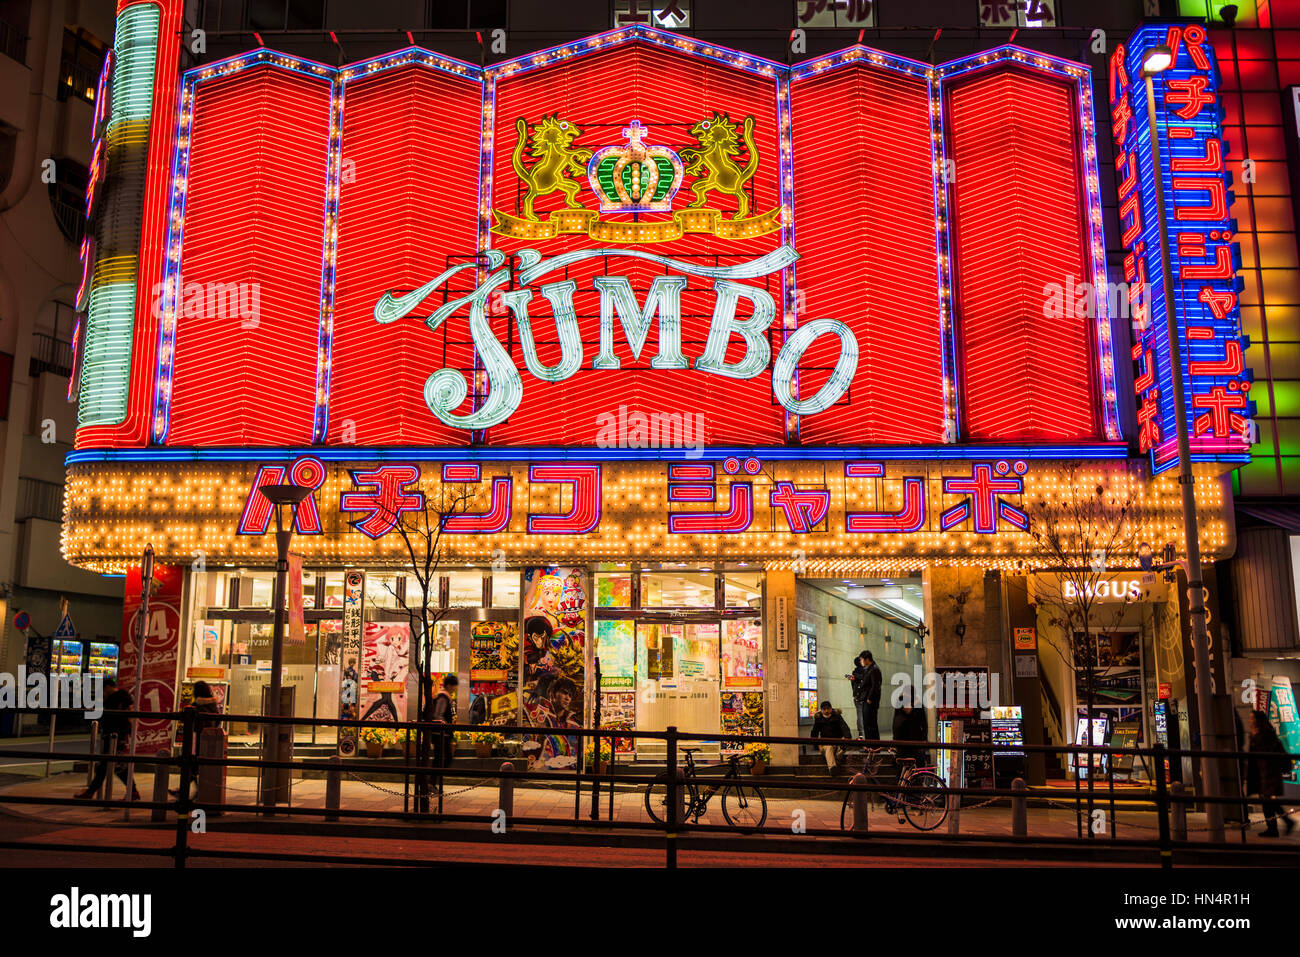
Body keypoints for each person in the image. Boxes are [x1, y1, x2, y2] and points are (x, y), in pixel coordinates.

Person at [76, 677, 139, 801]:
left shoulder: (116, 698)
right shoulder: (122, 698)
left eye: (103, 690)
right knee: (107, 765)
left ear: (108, 687)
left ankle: (132, 791)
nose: (103, 693)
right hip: (116, 734)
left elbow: (111, 716)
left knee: (112, 765)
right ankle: (91, 791)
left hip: (114, 735)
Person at [1247, 709, 1295, 837]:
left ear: (1258, 721)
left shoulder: (1264, 734)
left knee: (1267, 800)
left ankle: (1278, 826)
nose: (1250, 721)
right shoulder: (1258, 734)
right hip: (1263, 772)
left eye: (1252, 718)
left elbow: (1264, 756)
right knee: (1267, 801)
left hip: (1268, 772)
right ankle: (1278, 826)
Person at [810, 700, 852, 774]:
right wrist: (817, 746)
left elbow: (844, 728)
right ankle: (832, 768)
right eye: (824, 709)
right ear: (821, 710)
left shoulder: (837, 716)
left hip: (837, 743)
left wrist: (847, 738)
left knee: (842, 748)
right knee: (829, 748)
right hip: (826, 745)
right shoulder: (819, 719)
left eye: (828, 709)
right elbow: (814, 733)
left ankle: (835, 761)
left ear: (831, 709)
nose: (826, 711)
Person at [860, 650, 882, 741]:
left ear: (867, 659)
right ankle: (869, 745)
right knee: (867, 723)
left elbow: (875, 685)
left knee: (870, 724)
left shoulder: (874, 669)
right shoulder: (869, 669)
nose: (861, 662)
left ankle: (873, 746)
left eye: (861, 659)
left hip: (870, 701)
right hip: (866, 699)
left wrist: (869, 698)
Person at [847, 654, 867, 737]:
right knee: (865, 715)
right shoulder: (866, 671)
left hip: (857, 697)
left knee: (860, 715)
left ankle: (861, 734)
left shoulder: (854, 673)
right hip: (865, 697)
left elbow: (853, 685)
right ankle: (865, 733)